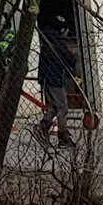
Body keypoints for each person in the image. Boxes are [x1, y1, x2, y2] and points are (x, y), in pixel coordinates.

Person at [34, 9, 80, 147]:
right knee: (63, 108)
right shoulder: (57, 42)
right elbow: (69, 59)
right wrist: (74, 62)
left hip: (47, 78)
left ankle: (43, 127)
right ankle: (63, 136)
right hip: (55, 79)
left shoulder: (47, 39)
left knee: (54, 106)